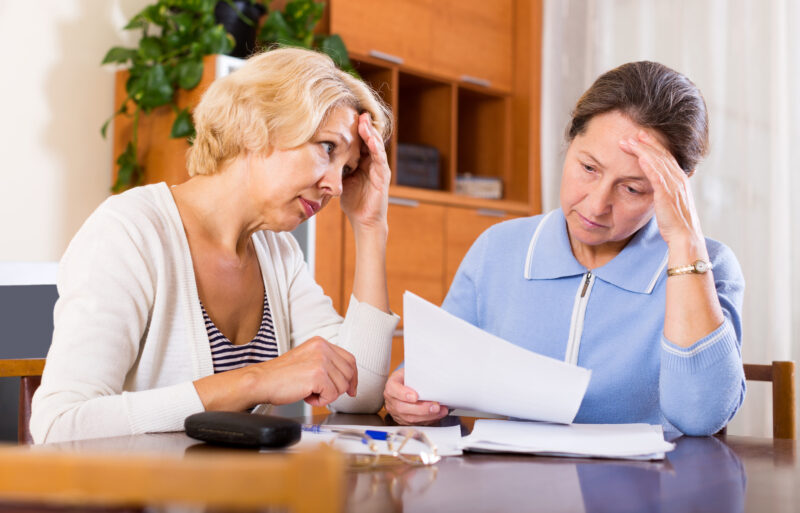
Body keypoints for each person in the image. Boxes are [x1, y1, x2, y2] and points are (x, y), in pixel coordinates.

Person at [31, 47, 399, 443]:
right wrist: (256, 380)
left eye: (347, 169)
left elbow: (358, 393)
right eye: (327, 148)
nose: (336, 186)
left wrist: (370, 226)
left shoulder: (278, 255)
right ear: (256, 126)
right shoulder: (130, 230)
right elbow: (59, 425)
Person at [384, 61, 745, 436]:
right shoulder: (499, 249)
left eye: (633, 188)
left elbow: (701, 416)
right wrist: (407, 395)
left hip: (648, 487)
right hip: (516, 487)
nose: (595, 205)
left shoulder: (709, 266)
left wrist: (686, 244)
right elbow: (430, 370)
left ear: (677, 187)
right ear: (570, 140)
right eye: (588, 168)